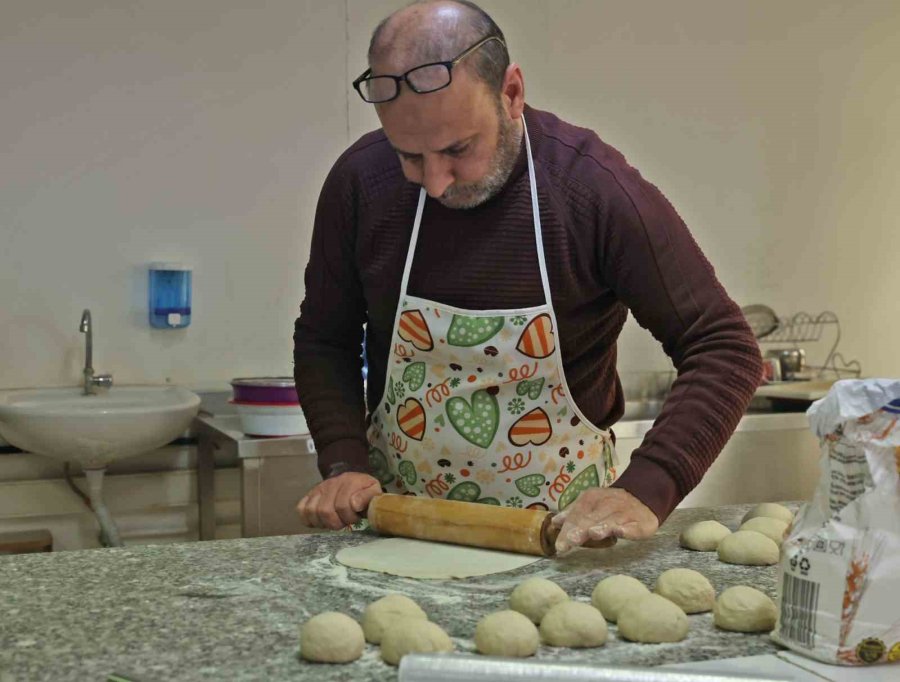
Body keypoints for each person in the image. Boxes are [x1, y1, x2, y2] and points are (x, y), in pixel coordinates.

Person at [294, 0, 762, 554]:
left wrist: (647, 487)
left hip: (566, 539)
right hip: (402, 529)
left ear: (511, 92)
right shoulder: (360, 184)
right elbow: (326, 337)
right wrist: (343, 459)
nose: (437, 183)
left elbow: (725, 348)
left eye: (457, 150)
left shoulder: (594, 193)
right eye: (410, 157)